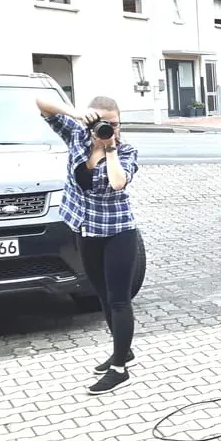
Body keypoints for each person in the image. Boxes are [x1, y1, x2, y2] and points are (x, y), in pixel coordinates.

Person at [36, 93, 141, 395]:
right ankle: (123, 350)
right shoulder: (76, 135)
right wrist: (76, 113)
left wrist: (109, 148)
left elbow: (118, 182)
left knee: (119, 299)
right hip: (85, 229)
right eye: (103, 124)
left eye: (115, 124)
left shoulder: (127, 151)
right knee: (103, 296)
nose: (110, 129)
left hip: (118, 231)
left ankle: (119, 369)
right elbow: (41, 103)